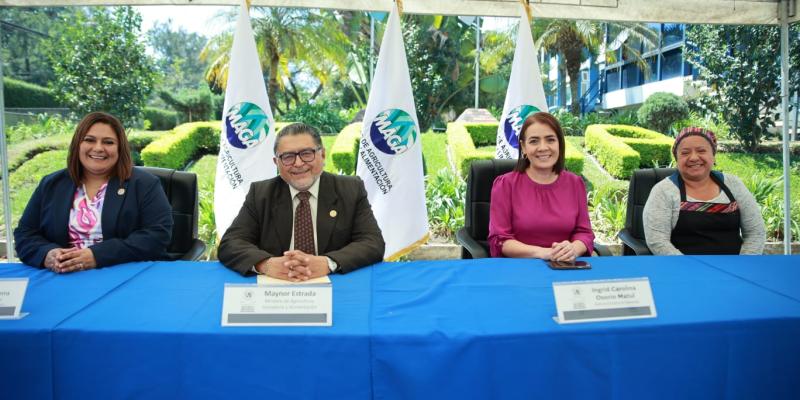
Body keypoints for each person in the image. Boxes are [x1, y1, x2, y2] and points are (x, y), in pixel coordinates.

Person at [218, 122, 385, 280]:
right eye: (288, 157)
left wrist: (328, 262)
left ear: (322, 154)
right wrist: (266, 265)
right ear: (277, 162)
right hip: (277, 288)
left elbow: (372, 243)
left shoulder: (350, 189)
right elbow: (231, 243)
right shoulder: (261, 193)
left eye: (306, 154)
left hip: (335, 284)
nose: (298, 163)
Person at [14, 112, 173, 272]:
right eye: (89, 140)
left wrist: (97, 256)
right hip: (63, 277)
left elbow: (158, 235)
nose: (98, 148)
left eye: (108, 142)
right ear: (78, 145)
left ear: (120, 148)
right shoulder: (51, 184)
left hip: (125, 274)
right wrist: (47, 255)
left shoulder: (145, 184)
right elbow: (25, 234)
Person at [488, 112, 595, 262]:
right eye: (534, 141)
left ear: (559, 144)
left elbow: (584, 233)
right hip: (519, 268)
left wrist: (573, 249)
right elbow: (500, 240)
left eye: (550, 140)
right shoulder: (505, 185)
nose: (543, 147)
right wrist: (543, 253)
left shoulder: (575, 183)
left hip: (565, 267)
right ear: (523, 147)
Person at [643, 127, 765, 255]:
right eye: (685, 153)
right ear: (677, 159)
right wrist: (690, 269)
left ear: (713, 155)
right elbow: (657, 241)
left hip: (734, 267)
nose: (694, 157)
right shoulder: (663, 191)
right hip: (683, 268)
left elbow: (755, 232)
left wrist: (743, 264)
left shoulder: (733, 184)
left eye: (701, 151)